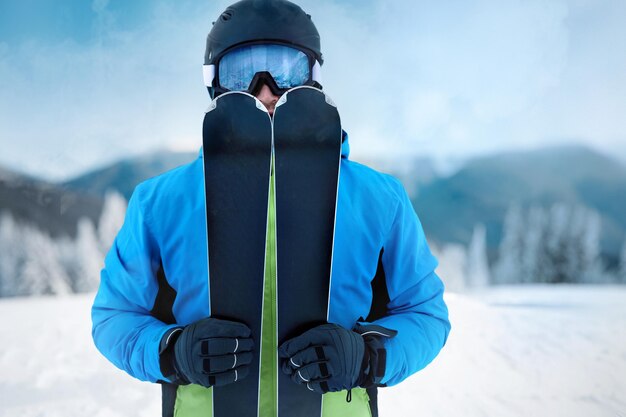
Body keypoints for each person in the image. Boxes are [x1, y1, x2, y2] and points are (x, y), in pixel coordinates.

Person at [91, 1, 451, 416]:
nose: (265, 89)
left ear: (314, 77)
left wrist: (368, 357)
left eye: (286, 69)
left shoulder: (379, 198)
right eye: (243, 72)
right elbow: (114, 316)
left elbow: (426, 314)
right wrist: (173, 352)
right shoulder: (159, 203)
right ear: (215, 84)